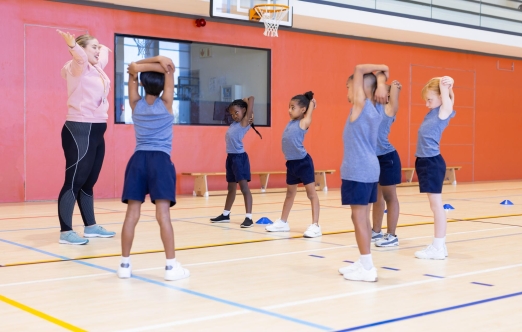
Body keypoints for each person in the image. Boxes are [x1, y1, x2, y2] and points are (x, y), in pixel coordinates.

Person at [117, 55, 189, 281]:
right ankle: (170, 267)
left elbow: (132, 70)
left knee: (132, 215)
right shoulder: (167, 104)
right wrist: (159, 59)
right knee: (163, 215)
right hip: (160, 161)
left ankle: (124, 265)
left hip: (138, 160)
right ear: (163, 85)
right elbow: (169, 70)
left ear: (141, 82)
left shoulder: (135, 104)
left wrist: (139, 67)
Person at [57, 30, 115, 245]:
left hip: (98, 129)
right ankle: (66, 232)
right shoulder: (77, 67)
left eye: (98, 47)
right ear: (82, 49)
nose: (98, 51)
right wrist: (73, 46)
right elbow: (80, 57)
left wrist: (105, 49)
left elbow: (103, 56)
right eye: (94, 47)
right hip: (79, 128)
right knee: (73, 182)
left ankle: (90, 227)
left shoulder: (97, 69)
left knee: (89, 182)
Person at [338, 64, 389, 282]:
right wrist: (382, 81)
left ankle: (367, 267)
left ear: (362, 90)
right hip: (369, 169)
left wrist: (380, 74)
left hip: (358, 170)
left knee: (359, 217)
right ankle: (364, 261)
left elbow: (360, 68)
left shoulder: (361, 106)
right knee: (362, 217)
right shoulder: (377, 108)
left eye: (350, 87)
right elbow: (383, 74)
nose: (348, 92)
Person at [265, 91, 321, 238]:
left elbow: (309, 111)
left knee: (311, 194)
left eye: (293, 107)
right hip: (291, 164)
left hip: (303, 163)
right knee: (290, 194)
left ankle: (315, 225)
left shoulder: (304, 122)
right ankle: (283, 222)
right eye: (289, 107)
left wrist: (311, 104)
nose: (289, 110)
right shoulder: (291, 122)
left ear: (302, 110)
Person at [414, 76, 455, 260]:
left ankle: (438, 247)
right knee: (434, 205)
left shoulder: (443, 112)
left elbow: (449, 102)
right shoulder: (432, 113)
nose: (427, 104)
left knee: (436, 206)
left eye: (430, 99)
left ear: (441, 97)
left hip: (432, 162)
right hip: (424, 161)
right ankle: (440, 247)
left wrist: (447, 85)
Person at [210, 98, 262, 228]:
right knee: (231, 188)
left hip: (240, 159)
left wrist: (245, 102)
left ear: (244, 111)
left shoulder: (245, 122)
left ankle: (249, 217)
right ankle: (226, 214)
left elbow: (251, 99)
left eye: (236, 112)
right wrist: (241, 109)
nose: (234, 116)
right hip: (231, 158)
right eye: (232, 114)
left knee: (244, 188)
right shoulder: (234, 124)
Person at [371, 78, 403, 247]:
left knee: (390, 197)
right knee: (376, 198)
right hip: (373, 158)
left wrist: (395, 87)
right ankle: (376, 231)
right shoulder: (372, 106)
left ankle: (391, 235)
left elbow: (395, 94)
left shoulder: (389, 109)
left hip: (387, 157)